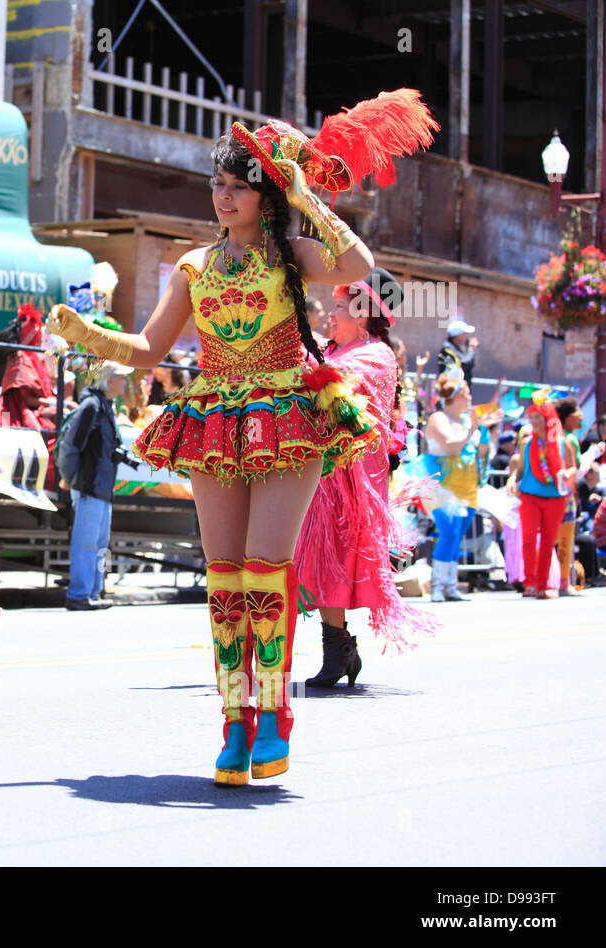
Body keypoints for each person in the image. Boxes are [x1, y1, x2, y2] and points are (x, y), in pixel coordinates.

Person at [45, 89, 437, 785]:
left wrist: (302, 193)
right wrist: (86, 334)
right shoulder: (195, 265)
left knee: (263, 568)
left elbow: (359, 267)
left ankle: (275, 714)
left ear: (264, 194)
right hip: (215, 422)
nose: (223, 198)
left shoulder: (293, 253)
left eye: (236, 187)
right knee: (224, 579)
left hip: (288, 414)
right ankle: (234, 722)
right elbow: (146, 347)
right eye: (216, 185)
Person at [295, 270, 440, 684]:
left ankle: (339, 651)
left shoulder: (375, 356)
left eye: (338, 307)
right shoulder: (329, 350)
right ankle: (340, 650)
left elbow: (336, 392)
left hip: (349, 480)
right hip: (317, 476)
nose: (329, 316)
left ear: (361, 313)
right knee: (321, 561)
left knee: (334, 559)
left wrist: (308, 370)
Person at [57, 362, 131, 611]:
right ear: (109, 380)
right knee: (88, 542)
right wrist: (69, 477)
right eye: (121, 377)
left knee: (99, 544)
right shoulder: (93, 406)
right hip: (91, 486)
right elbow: (71, 446)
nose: (124, 382)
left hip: (100, 487)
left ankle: (92, 592)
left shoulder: (102, 406)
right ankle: (80, 594)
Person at [422, 369, 495, 601]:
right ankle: (437, 586)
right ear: (455, 395)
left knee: (458, 534)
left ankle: (451, 586)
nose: (471, 398)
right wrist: (473, 428)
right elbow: (451, 445)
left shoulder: (465, 421)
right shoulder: (439, 418)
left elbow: (481, 452)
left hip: (468, 486)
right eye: (467, 393)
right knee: (449, 532)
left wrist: (482, 431)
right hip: (444, 487)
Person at [506, 402, 577, 598]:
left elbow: (573, 467)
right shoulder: (527, 443)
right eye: (533, 418)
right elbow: (519, 470)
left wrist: (565, 473)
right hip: (530, 496)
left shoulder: (562, 443)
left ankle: (542, 586)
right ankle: (530, 583)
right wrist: (512, 480)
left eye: (539, 418)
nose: (535, 422)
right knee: (529, 539)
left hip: (555, 497)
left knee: (547, 542)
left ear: (548, 420)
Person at [0, 304, 58, 431]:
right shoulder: (20, 357)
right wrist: (52, 403)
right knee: (47, 422)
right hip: (14, 411)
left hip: (30, 408)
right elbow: (27, 399)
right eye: (37, 337)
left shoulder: (33, 357)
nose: (40, 341)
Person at [554, 398, 585, 594]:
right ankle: (563, 581)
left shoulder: (553, 438)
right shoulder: (569, 440)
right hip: (564, 497)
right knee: (565, 539)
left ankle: (554, 579)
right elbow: (579, 466)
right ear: (569, 417)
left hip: (554, 494)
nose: (581, 415)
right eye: (578, 411)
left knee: (557, 540)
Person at [437, 315, 478, 385]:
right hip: (451, 391)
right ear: (457, 335)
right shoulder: (447, 351)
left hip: (459, 391)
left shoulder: (457, 349)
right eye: (464, 333)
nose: (466, 336)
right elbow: (463, 365)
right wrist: (471, 349)